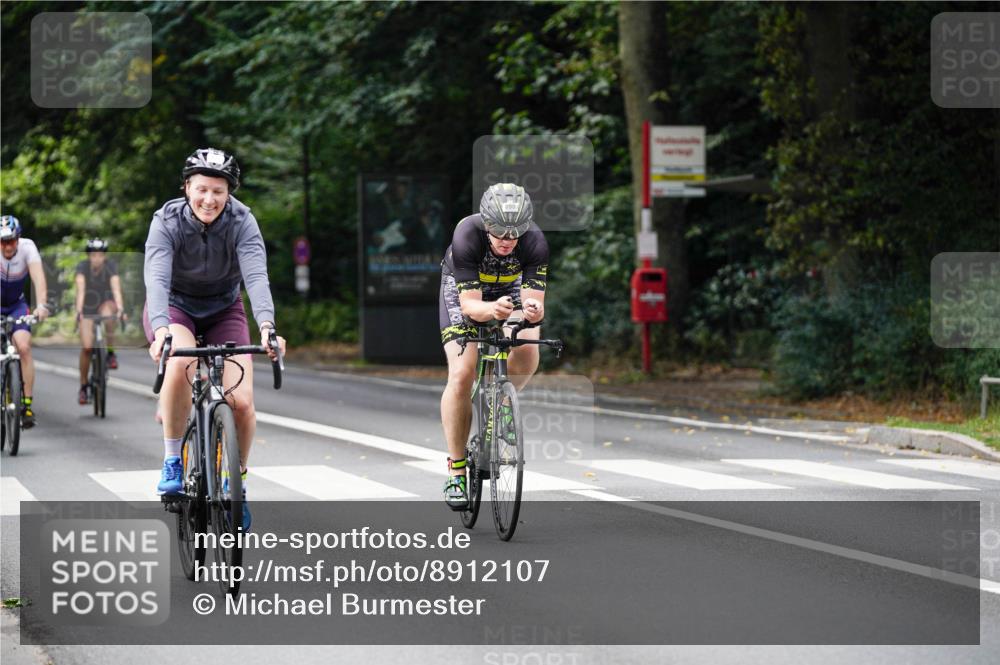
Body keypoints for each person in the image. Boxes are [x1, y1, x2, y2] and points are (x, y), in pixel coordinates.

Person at [143, 148, 285, 531]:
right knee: (180, 363)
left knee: (241, 401)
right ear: (187, 187)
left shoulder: (243, 221)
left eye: (219, 191)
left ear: (229, 193)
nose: (209, 199)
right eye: (202, 189)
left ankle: (234, 481)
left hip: (225, 308)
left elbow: (255, 277)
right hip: (175, 308)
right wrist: (160, 330)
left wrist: (268, 326)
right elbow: (155, 277)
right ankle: (173, 458)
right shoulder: (166, 220)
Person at [438, 183, 548, 510]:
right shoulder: (467, 234)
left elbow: (533, 303)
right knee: (462, 373)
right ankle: (457, 469)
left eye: (514, 233)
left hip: (510, 290)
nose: (505, 239)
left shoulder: (536, 242)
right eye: (498, 230)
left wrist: (531, 312)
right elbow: (471, 307)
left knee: (527, 346)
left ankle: (502, 404)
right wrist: (492, 311)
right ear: (486, 223)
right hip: (464, 294)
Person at [0, 214, 50, 428]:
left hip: (17, 304)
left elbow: (38, 278)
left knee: (24, 347)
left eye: (11, 241)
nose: (7, 246)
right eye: (3, 242)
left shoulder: (28, 247)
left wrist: (41, 305)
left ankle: (26, 405)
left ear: (18, 238)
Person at [75, 238, 127, 404]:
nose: (96, 258)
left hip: (106, 302)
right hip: (88, 306)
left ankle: (110, 352)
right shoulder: (82, 267)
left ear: (104, 256)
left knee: (109, 316)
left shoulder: (110, 266)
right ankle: (83, 386)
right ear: (89, 256)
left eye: (100, 255)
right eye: (93, 255)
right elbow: (80, 291)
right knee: (87, 347)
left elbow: (116, 289)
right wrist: (79, 312)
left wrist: (120, 309)